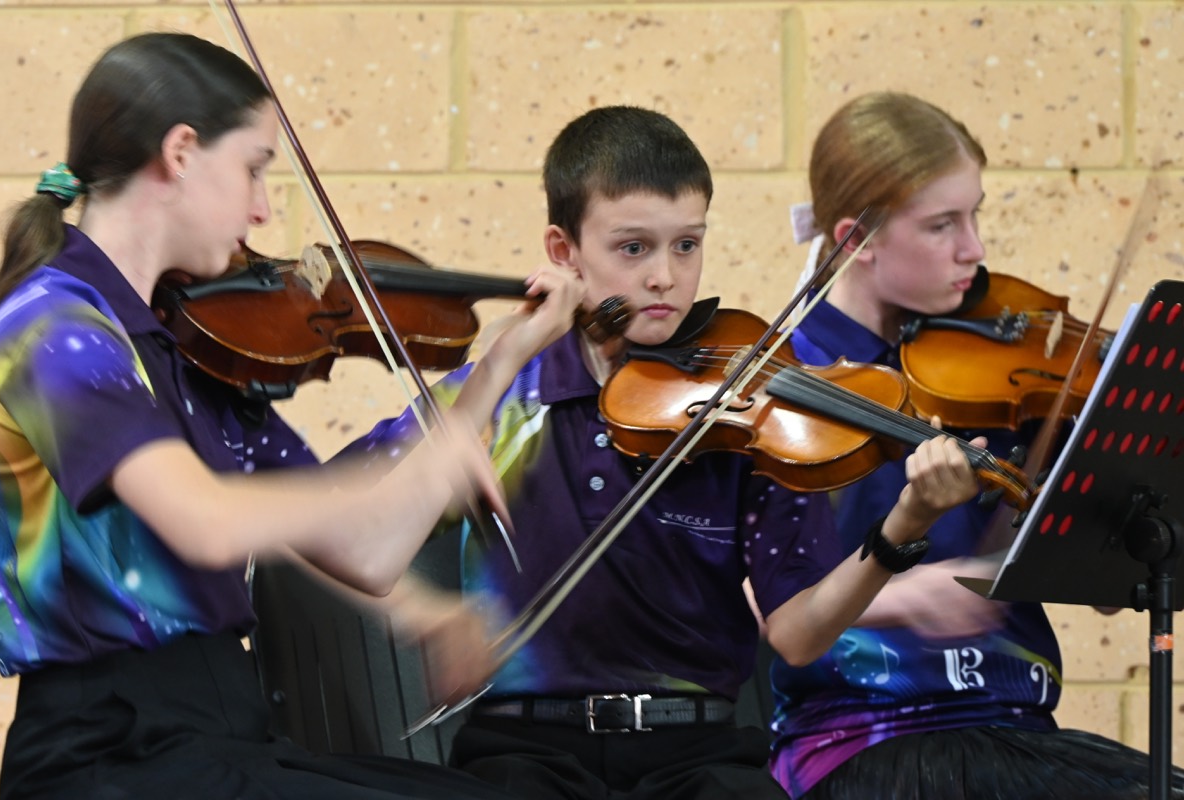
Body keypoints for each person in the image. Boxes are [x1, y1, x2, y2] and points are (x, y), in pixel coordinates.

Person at [0, 32, 583, 800]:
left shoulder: (189, 349)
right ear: (181, 151)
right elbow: (205, 522)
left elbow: (367, 551)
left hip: (218, 737)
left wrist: (498, 366)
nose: (265, 209)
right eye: (254, 168)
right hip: (107, 757)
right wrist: (422, 470)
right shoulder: (52, 328)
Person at [364, 105, 983, 800]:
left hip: (699, 754)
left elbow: (798, 634)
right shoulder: (500, 398)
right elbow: (339, 526)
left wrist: (902, 530)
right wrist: (422, 612)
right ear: (564, 252)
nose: (665, 276)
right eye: (633, 248)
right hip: (523, 751)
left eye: (686, 245)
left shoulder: (746, 409)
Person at [769, 90, 1184, 799]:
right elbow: (760, 608)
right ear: (856, 240)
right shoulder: (786, 382)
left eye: (975, 215)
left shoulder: (998, 372)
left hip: (1015, 728)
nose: (975, 249)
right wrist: (902, 594)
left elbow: (1110, 591)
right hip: (862, 738)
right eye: (942, 225)